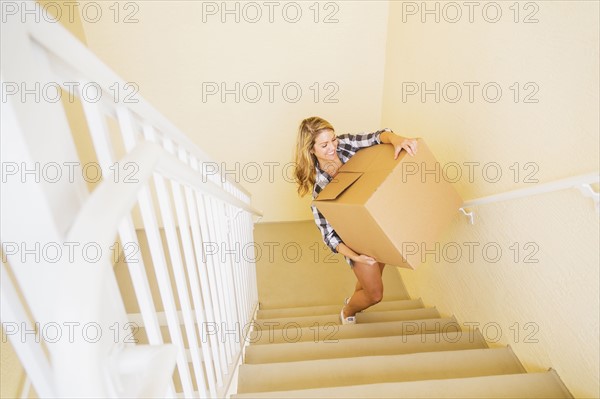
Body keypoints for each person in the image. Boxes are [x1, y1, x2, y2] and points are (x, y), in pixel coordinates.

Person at [293, 116, 418, 325]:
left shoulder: (345, 144)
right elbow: (330, 237)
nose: (333, 147)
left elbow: (377, 137)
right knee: (375, 294)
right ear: (311, 149)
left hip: (378, 225)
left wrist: (397, 139)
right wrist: (356, 258)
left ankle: (354, 298)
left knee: (368, 283)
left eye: (332, 139)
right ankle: (348, 310)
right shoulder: (320, 189)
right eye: (324, 145)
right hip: (356, 243)